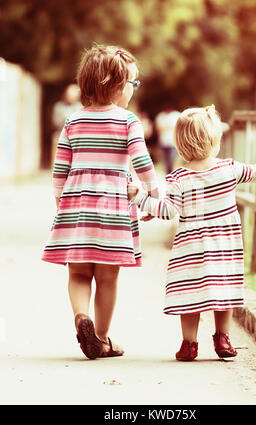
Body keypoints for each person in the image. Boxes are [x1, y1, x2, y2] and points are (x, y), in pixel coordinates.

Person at [128, 104, 256, 361]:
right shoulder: (228, 169)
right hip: (224, 246)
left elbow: (168, 210)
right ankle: (222, 338)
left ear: (180, 146)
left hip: (190, 249)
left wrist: (140, 199)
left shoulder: (178, 177)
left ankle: (189, 344)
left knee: (189, 292)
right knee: (223, 290)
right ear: (214, 140)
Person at [42, 44, 159, 360]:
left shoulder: (72, 121)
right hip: (113, 212)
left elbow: (59, 171)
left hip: (76, 210)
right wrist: (153, 194)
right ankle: (103, 339)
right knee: (108, 277)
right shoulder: (128, 121)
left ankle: (82, 317)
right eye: (131, 84)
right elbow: (143, 162)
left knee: (78, 273)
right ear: (118, 86)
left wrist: (61, 205)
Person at [155, 107, 180, 174]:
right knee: (166, 161)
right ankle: (168, 174)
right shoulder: (161, 116)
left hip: (173, 143)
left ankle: (172, 173)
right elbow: (158, 128)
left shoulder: (175, 115)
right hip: (164, 143)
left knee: (172, 160)